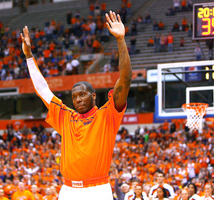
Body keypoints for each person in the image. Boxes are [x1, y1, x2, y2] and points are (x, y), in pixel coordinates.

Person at [20, 10, 132, 200]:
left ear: (93, 96)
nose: (78, 99)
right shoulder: (65, 116)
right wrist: (29, 56)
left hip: (97, 189)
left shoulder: (107, 114)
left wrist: (120, 40)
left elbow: (126, 78)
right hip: (68, 190)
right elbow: (42, 89)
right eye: (74, 97)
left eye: (82, 95)